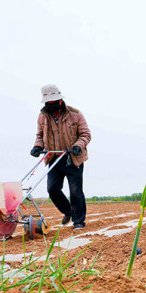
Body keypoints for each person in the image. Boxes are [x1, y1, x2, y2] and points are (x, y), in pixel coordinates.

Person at [30, 84, 91, 230]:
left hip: (73, 157)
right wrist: (37, 147)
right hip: (53, 157)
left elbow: (85, 134)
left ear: (60, 100)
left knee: (75, 191)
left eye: (54, 102)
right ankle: (68, 211)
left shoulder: (75, 114)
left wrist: (78, 145)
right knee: (52, 189)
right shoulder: (43, 116)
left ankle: (78, 222)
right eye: (48, 103)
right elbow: (40, 136)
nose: (51, 105)